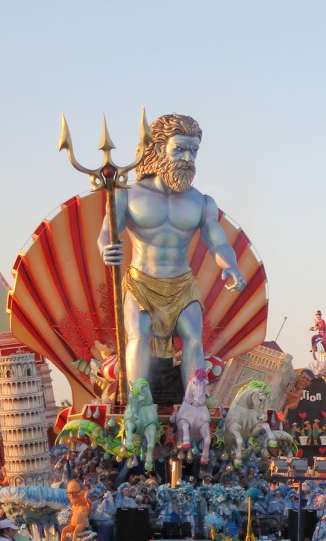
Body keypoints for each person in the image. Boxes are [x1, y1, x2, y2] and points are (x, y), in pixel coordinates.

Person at [98, 113, 247, 395]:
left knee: (193, 338)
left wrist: (231, 266)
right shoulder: (127, 196)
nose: (188, 158)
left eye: (194, 151)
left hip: (182, 285)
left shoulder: (201, 202)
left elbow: (217, 242)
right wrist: (106, 248)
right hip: (141, 283)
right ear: (157, 149)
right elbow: (107, 232)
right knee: (138, 337)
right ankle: (137, 403)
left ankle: (196, 404)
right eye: (180, 149)